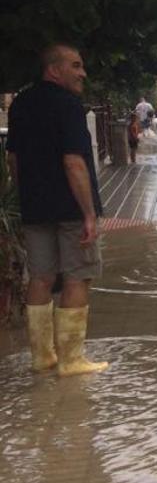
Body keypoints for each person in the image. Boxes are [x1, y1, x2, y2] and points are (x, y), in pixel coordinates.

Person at [5, 43, 108, 375]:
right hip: (70, 208)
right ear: (54, 69)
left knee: (41, 277)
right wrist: (89, 213)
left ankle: (42, 356)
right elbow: (74, 162)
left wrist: (27, 196)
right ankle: (71, 360)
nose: (83, 73)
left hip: (35, 206)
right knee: (79, 276)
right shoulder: (68, 106)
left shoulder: (20, 104)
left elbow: (13, 159)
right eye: (76, 66)